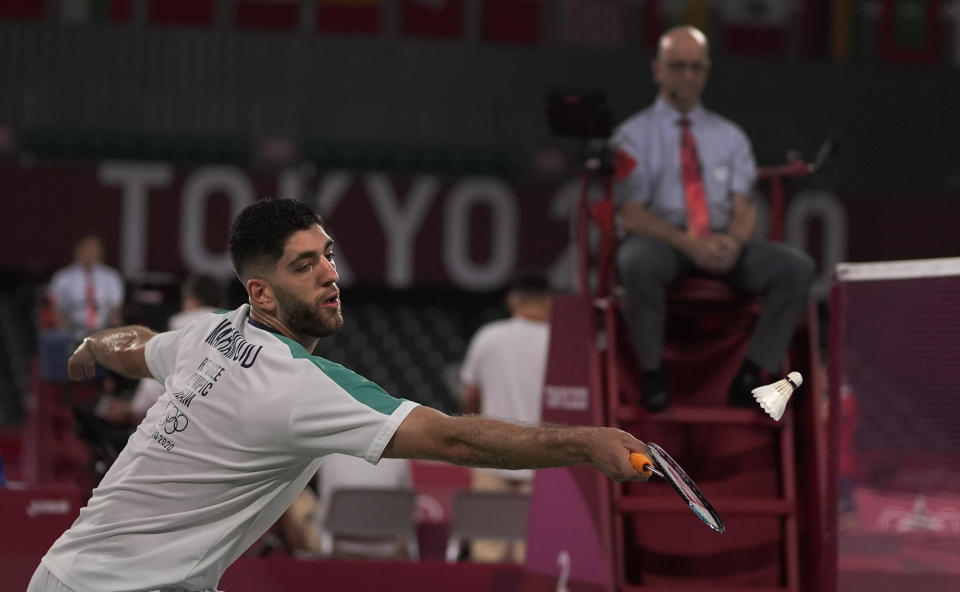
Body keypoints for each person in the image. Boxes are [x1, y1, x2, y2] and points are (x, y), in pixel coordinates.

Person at [28, 198, 648, 592]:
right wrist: (585, 442)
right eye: (304, 265)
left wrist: (92, 345)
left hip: (65, 571)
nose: (330, 271)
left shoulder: (213, 333)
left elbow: (137, 345)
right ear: (262, 294)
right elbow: (452, 435)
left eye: (327, 254)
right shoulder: (300, 386)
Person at [611, 26, 815, 412]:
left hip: (722, 243)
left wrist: (733, 243)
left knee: (796, 269)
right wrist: (692, 245)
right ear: (658, 69)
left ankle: (751, 375)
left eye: (696, 67)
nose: (688, 76)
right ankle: (653, 375)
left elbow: (745, 206)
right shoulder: (631, 137)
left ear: (706, 71)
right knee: (635, 261)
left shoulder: (730, 137)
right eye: (678, 66)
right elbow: (633, 214)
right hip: (665, 244)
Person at [459, 269, 550, 563]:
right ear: (550, 303)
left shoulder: (489, 337)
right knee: (534, 560)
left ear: (513, 301)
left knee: (487, 557)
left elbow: (469, 398)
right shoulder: (559, 343)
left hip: (491, 456)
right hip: (543, 462)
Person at [99, 274, 224, 425]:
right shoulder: (239, 333)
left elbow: (154, 382)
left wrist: (132, 408)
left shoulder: (179, 329)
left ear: (191, 301)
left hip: (182, 425)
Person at [47, 234, 124, 335]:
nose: (89, 253)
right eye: (86, 248)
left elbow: (116, 311)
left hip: (102, 331)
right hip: (71, 331)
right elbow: (54, 308)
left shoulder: (112, 277)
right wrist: (64, 331)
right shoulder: (62, 277)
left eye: (93, 249)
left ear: (101, 253)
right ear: (77, 251)